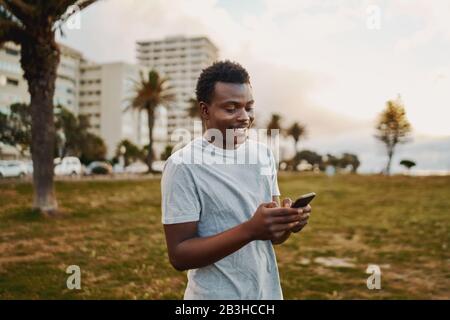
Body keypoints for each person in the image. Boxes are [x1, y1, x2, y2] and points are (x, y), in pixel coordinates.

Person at [161, 60, 312, 299]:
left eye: (248, 107)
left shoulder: (263, 155)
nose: (244, 117)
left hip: (267, 294)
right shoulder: (183, 165)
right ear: (205, 110)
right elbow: (179, 256)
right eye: (231, 108)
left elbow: (272, 237)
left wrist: (288, 223)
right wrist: (250, 230)